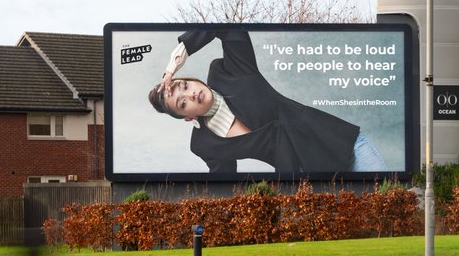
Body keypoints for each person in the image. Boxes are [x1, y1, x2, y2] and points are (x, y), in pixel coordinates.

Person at [147, 29, 386, 173]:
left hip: (341, 144)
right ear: (188, 116)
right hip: (306, 178)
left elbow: (229, 28)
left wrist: (177, 57)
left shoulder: (229, 72)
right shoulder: (204, 143)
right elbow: (225, 182)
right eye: (182, 103)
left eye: (185, 85)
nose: (191, 94)